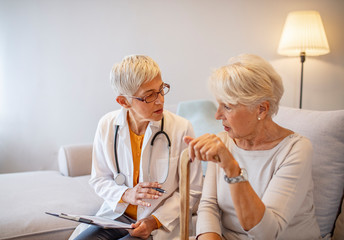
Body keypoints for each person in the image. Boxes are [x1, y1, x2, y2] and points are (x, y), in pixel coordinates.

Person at [184, 54, 321, 240]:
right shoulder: (223, 141)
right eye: (219, 105)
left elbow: (267, 233)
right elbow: (209, 205)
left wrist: (232, 168)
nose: (217, 115)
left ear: (261, 109)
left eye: (227, 107)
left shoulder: (296, 149)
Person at [71, 55, 203, 240]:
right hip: (116, 216)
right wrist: (126, 194)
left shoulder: (181, 128)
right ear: (124, 102)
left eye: (161, 90)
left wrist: (154, 221)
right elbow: (99, 179)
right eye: (149, 95)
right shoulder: (107, 125)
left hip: (157, 221)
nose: (160, 101)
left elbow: (193, 189)